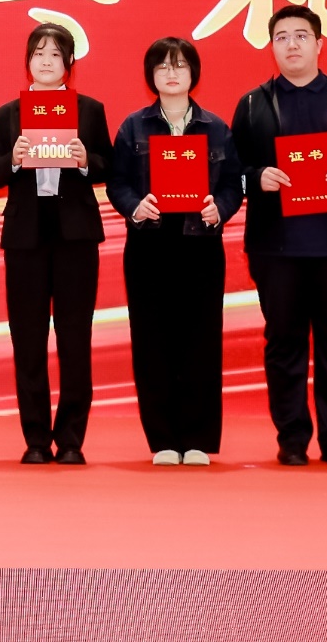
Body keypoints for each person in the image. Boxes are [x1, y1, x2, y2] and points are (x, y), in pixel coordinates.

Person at [230, 5, 327, 468]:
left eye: (301, 35)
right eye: (282, 37)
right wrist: (256, 177)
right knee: (284, 343)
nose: (292, 44)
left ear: (319, 43)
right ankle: (292, 437)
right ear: (272, 46)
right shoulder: (253, 104)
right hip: (276, 247)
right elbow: (231, 169)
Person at [107, 37, 244, 467]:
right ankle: (163, 439)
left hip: (200, 246)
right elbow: (117, 182)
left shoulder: (216, 127)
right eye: (163, 66)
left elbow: (233, 184)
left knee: (201, 341)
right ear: (151, 75)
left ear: (193, 73)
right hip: (149, 246)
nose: (171, 73)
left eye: (180, 65)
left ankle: (198, 438)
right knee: (152, 341)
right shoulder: (133, 126)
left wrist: (219, 209)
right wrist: (135, 206)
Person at [0, 22, 111, 465]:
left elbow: (108, 165)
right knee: (28, 339)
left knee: (75, 338)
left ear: (69, 62)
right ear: (28, 61)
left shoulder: (89, 110)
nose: (46, 61)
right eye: (38, 53)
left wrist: (85, 161)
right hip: (26, 237)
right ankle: (36, 438)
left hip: (76, 236)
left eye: (55, 54)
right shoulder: (8, 114)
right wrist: (14, 160)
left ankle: (71, 439)